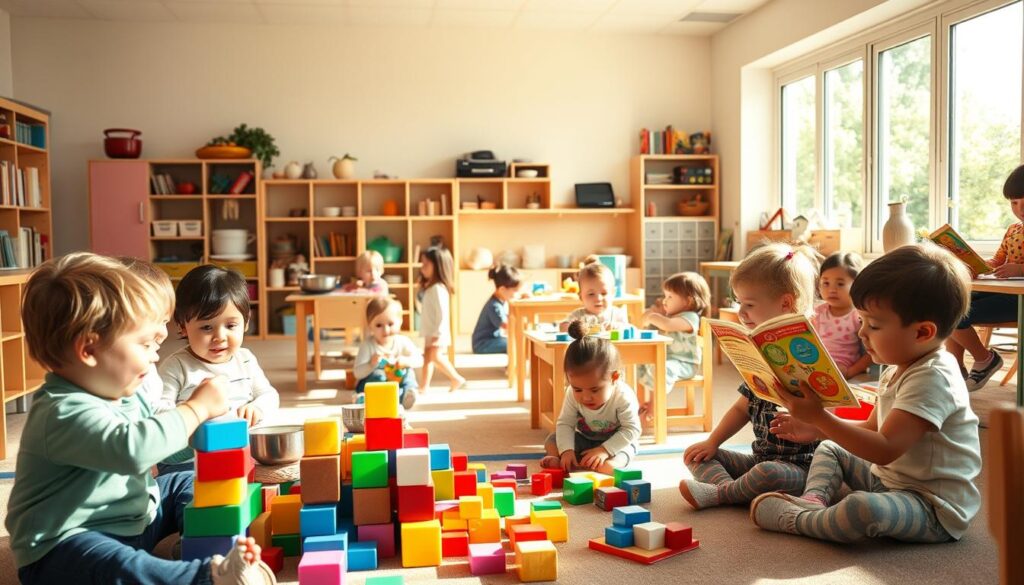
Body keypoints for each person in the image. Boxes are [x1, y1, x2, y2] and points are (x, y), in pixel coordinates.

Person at [5, 252, 275, 585]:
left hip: (135, 518)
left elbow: (164, 449)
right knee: (114, 566)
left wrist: (201, 435)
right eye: (145, 345)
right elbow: (133, 449)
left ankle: (203, 548)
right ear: (88, 350)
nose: (156, 354)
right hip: (66, 543)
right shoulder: (62, 410)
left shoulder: (125, 395)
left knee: (187, 482)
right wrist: (195, 409)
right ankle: (205, 577)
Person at [752, 244, 982, 545]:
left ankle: (800, 520)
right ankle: (813, 500)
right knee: (831, 449)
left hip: (931, 505)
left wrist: (821, 418)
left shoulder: (933, 378)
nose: (861, 334)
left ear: (923, 333)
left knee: (861, 508)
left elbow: (884, 448)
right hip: (887, 479)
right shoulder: (900, 365)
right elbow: (873, 430)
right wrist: (818, 429)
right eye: (861, 321)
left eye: (873, 325)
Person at [679, 242, 822, 510]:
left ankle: (720, 494)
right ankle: (733, 490)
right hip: (758, 459)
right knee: (696, 455)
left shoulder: (809, 358)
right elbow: (740, 409)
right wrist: (712, 442)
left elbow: (831, 427)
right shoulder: (760, 353)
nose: (741, 313)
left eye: (749, 304)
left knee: (770, 473)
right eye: (738, 303)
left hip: (802, 468)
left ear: (786, 303)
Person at [157, 265, 280, 471]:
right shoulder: (175, 366)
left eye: (231, 326)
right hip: (190, 463)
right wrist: (196, 413)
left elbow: (269, 395)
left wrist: (257, 408)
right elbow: (159, 413)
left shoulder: (245, 359)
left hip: (241, 455)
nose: (219, 337)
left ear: (246, 322)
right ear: (182, 326)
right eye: (206, 327)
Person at [944, 165, 1024, 389]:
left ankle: (985, 359)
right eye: (1014, 203)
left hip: (1019, 301)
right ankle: (956, 369)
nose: (1020, 209)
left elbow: (1014, 267)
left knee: (956, 314)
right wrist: (975, 266)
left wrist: (1020, 269)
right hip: (1003, 293)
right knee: (947, 303)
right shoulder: (1013, 230)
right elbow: (997, 261)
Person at [539, 319, 641, 476]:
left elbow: (631, 430)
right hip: (585, 439)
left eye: (595, 389)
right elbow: (565, 423)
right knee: (552, 439)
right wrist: (566, 451)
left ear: (614, 378)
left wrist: (604, 450)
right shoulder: (571, 394)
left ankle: (609, 464)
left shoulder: (623, 396)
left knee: (620, 455)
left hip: (617, 441)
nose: (586, 397)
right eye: (577, 389)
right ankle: (556, 457)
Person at [636, 271, 710, 420]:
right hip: (669, 360)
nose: (665, 301)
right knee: (641, 363)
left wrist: (652, 316)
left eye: (670, 297)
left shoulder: (690, 318)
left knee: (661, 368)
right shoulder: (673, 317)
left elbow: (668, 326)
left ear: (688, 301)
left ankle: (656, 406)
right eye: (665, 296)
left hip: (686, 364)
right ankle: (644, 403)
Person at [116, 256, 175, 409]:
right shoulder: (118, 375)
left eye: (165, 322)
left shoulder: (149, 371)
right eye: (157, 321)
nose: (164, 333)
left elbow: (153, 406)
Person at [353, 296, 422, 409]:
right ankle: (366, 398)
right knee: (378, 375)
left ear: (400, 322)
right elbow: (357, 373)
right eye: (379, 325)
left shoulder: (402, 341)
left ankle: (406, 395)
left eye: (390, 324)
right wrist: (371, 364)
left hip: (396, 383)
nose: (386, 330)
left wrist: (405, 361)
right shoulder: (367, 345)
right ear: (370, 326)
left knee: (408, 372)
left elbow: (419, 360)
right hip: (374, 386)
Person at [811, 252, 873, 379]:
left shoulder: (859, 315)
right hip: (816, 364)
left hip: (842, 367)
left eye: (840, 284)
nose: (832, 290)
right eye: (826, 283)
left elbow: (872, 353)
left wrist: (850, 372)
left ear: (856, 285)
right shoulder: (816, 312)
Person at [418, 246, 465, 391]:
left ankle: (454, 379)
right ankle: (427, 385)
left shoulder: (438, 289)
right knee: (430, 358)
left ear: (437, 267)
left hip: (437, 332)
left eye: (426, 264)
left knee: (432, 358)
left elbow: (442, 314)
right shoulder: (431, 288)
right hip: (430, 331)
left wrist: (438, 334)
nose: (422, 268)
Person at [559, 256, 629, 332]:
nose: (598, 298)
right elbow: (563, 327)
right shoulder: (578, 315)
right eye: (591, 294)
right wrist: (572, 328)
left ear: (613, 293)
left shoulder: (617, 314)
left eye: (604, 293)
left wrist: (617, 327)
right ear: (580, 296)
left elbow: (628, 329)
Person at [471, 264, 521, 354]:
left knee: (514, 341)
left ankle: (512, 366)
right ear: (502, 289)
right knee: (515, 344)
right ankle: (512, 367)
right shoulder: (494, 306)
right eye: (515, 290)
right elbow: (506, 325)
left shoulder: (499, 300)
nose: (516, 294)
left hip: (492, 339)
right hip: (483, 344)